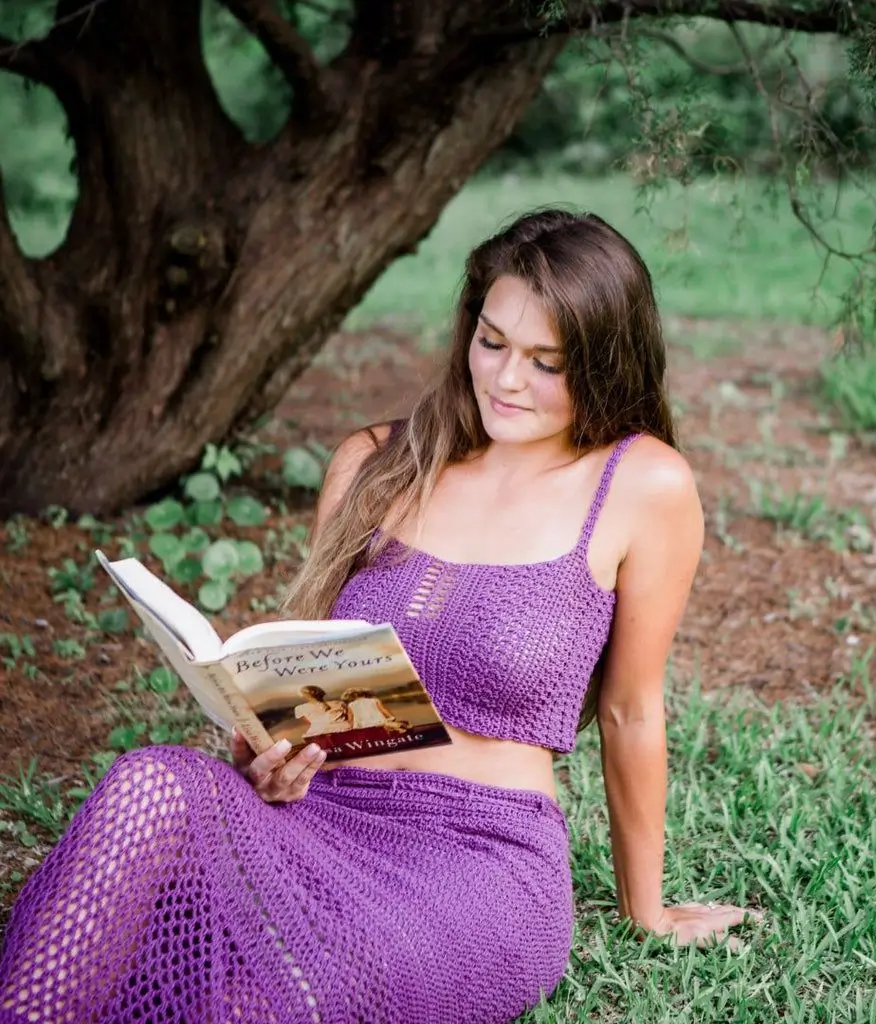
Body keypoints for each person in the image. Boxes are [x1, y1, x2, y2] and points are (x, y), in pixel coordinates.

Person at [0, 209, 760, 1024]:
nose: (506, 380)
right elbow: (295, 678)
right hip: (312, 817)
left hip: (480, 862)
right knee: (149, 783)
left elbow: (631, 709)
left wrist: (647, 908)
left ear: (605, 364)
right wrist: (267, 758)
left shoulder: (642, 485)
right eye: (493, 342)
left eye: (548, 363)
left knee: (253, 1003)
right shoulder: (375, 463)